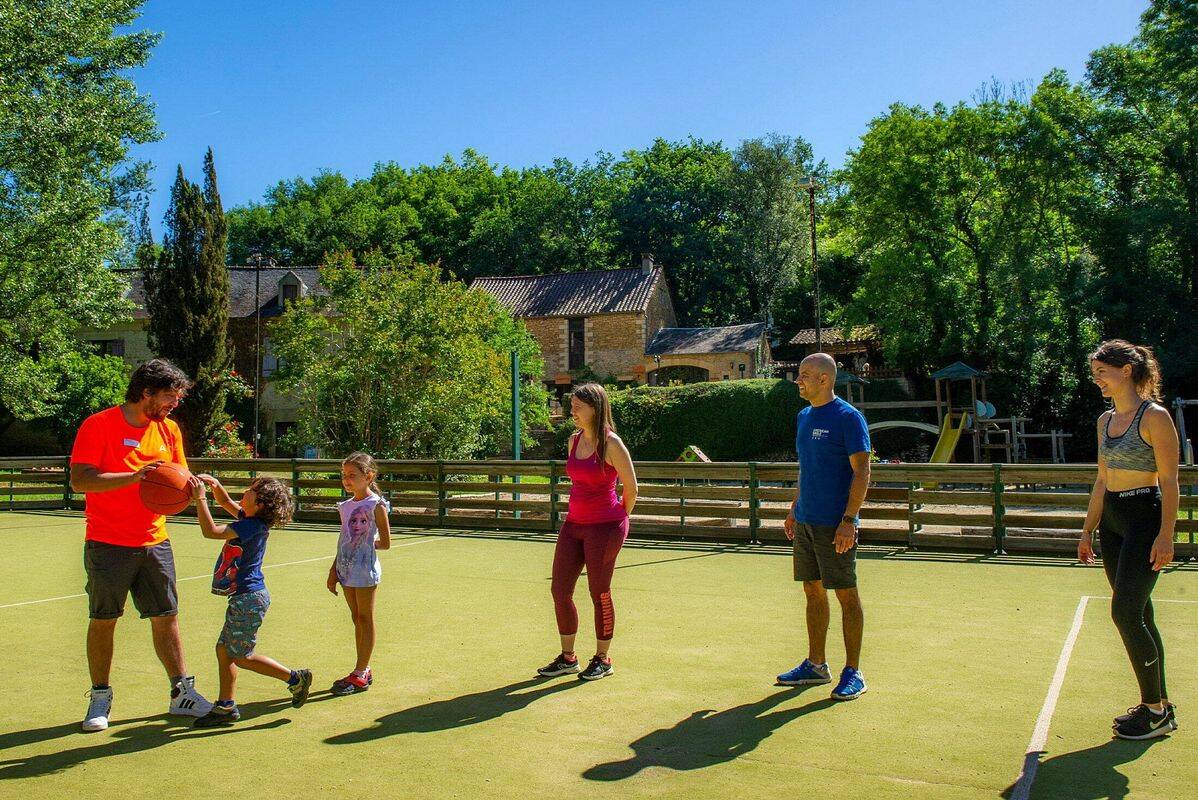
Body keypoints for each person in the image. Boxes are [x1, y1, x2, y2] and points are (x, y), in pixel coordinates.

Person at [70, 358, 212, 732]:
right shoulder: (98, 425)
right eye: (169, 397)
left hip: (155, 540)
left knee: (166, 617)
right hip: (108, 541)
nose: (174, 405)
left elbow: (176, 480)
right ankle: (100, 696)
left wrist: (194, 489)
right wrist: (134, 477)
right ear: (145, 392)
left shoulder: (168, 430)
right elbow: (81, 480)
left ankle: (182, 692)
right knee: (104, 620)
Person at [1078, 340, 1179, 739]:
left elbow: (1170, 482)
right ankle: (1159, 704)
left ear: (1126, 371)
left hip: (1145, 518)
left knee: (1125, 613)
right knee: (1141, 613)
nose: (1097, 378)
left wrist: (1166, 535)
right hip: (1114, 522)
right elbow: (1102, 479)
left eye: (1102, 371)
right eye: (1095, 372)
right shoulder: (1104, 422)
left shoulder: (1155, 417)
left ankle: (1154, 712)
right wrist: (1088, 529)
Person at [777, 353, 871, 701]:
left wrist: (849, 520)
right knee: (812, 591)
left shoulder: (849, 418)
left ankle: (853, 671)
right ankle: (816, 665)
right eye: (798, 374)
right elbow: (808, 468)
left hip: (836, 525)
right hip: (805, 521)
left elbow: (862, 471)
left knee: (846, 594)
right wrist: (793, 509)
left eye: (804, 375)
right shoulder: (803, 416)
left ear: (824, 380)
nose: (798, 381)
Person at [190, 475, 311, 727]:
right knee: (224, 651)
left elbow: (211, 531)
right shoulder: (250, 518)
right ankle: (225, 706)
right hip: (245, 598)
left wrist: (200, 498)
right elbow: (225, 502)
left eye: (251, 490)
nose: (245, 491)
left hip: (249, 599)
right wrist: (215, 486)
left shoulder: (251, 526)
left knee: (241, 655)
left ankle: (295, 678)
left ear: (261, 504)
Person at [538, 383, 638, 681]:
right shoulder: (573, 441)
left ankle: (603, 659)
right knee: (560, 590)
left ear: (595, 407)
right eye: (572, 407)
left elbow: (631, 489)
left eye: (578, 407)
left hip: (605, 527)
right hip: (574, 525)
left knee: (599, 592)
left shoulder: (612, 444)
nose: (573, 412)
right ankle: (568, 658)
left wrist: (618, 519)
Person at [326, 452, 391, 695]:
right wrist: (334, 570)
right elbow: (344, 539)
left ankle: (360, 671)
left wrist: (365, 543)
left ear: (369, 476)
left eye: (352, 475)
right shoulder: (345, 506)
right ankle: (364, 668)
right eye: (344, 475)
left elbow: (385, 542)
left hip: (365, 571)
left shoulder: (376, 505)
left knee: (366, 618)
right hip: (346, 569)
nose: (346, 480)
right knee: (356, 618)